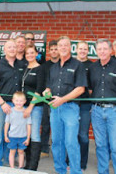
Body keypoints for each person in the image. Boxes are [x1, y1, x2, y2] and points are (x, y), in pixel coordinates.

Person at [43, 36, 87, 174]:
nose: (62, 48)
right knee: (56, 142)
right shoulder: (53, 67)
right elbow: (49, 86)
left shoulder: (77, 65)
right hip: (54, 109)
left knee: (70, 142)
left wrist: (63, 99)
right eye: (60, 45)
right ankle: (60, 170)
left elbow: (80, 89)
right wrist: (46, 91)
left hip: (70, 108)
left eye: (65, 45)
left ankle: (75, 171)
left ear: (70, 47)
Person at [88, 39, 116, 174]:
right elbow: (90, 89)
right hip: (96, 111)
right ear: (96, 51)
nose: (102, 51)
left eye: (105, 49)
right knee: (100, 145)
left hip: (115, 111)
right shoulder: (92, 68)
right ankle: (103, 171)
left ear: (110, 50)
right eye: (99, 49)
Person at [0, 39, 27, 166]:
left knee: (13, 135)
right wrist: (2, 103)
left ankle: (8, 161)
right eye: (9, 47)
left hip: (18, 107)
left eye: (14, 47)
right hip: (1, 106)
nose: (12, 49)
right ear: (4, 49)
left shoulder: (22, 65)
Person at [21, 45, 45, 170]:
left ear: (36, 54)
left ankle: (33, 166)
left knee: (35, 134)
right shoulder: (25, 68)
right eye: (27, 53)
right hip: (23, 107)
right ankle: (27, 163)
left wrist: (30, 107)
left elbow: (39, 89)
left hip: (35, 108)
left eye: (32, 53)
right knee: (26, 135)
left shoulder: (40, 69)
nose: (29, 55)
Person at [74, 41, 93, 171]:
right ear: (76, 49)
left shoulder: (92, 66)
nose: (82, 51)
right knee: (71, 134)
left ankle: (82, 163)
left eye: (85, 49)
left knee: (83, 136)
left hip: (85, 104)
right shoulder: (71, 63)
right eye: (80, 49)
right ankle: (70, 160)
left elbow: (93, 87)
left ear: (88, 51)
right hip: (71, 103)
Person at [40, 39, 59, 157]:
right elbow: (43, 81)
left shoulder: (62, 64)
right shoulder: (45, 65)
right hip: (46, 100)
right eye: (51, 50)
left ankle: (58, 148)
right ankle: (44, 149)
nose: (54, 52)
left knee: (58, 126)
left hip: (59, 99)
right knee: (45, 124)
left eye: (56, 49)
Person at [4, 92, 32, 169]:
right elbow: (7, 124)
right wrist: (6, 135)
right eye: (17, 100)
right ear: (13, 100)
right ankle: (12, 167)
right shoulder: (10, 111)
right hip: (12, 136)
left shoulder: (26, 112)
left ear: (25, 101)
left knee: (21, 152)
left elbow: (28, 125)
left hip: (23, 136)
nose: (19, 103)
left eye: (21, 101)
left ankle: (20, 167)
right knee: (12, 152)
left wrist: (28, 138)